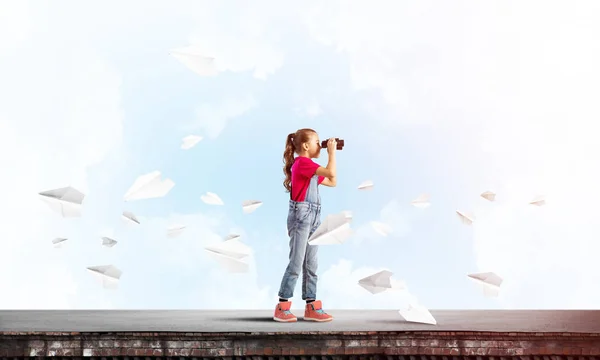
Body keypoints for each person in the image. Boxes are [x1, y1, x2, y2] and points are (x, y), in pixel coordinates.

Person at [273, 128, 337, 322]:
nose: (321, 145)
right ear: (306, 146)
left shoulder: (311, 169)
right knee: (296, 262)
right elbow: (330, 171)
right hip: (301, 218)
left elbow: (333, 181)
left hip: (313, 217)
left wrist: (330, 154)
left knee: (311, 264)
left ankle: (311, 306)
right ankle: (282, 306)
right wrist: (331, 153)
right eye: (318, 142)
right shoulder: (302, 163)